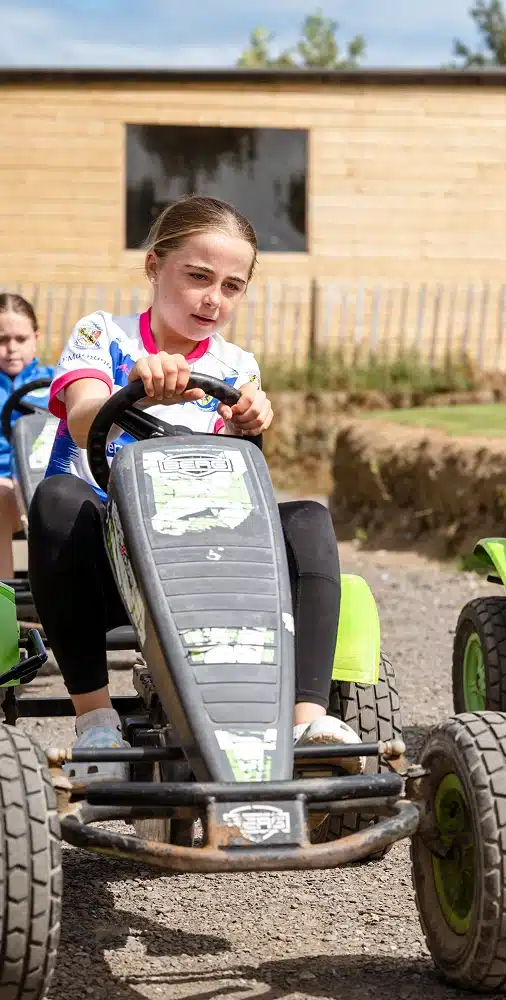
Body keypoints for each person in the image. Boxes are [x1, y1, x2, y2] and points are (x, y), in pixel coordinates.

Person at [27, 195, 363, 783]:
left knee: (308, 517)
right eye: (199, 277)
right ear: (155, 267)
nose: (214, 299)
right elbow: (83, 417)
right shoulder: (104, 335)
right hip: (113, 558)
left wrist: (247, 424)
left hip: (208, 558)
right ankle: (97, 718)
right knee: (57, 502)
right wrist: (137, 387)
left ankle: (307, 722)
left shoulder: (237, 367)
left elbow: (244, 478)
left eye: (232, 286)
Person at [0, 294, 55, 579]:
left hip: (43, 480)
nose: (11, 349)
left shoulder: (57, 381)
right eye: (2, 340)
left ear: (35, 338)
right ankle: (4, 609)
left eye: (20, 339)